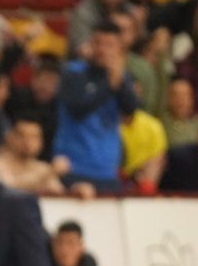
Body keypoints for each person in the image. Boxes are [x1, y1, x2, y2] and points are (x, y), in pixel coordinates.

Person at [52, 22, 137, 192]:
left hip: (107, 171)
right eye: (98, 43)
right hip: (73, 167)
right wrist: (110, 85)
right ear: (90, 44)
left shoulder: (122, 77)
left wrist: (120, 83)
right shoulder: (73, 72)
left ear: (120, 49)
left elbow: (131, 110)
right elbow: (78, 109)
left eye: (109, 45)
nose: (102, 50)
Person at [0, 116, 67, 196]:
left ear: (41, 142)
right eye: (22, 135)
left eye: (34, 137)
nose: (28, 141)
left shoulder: (43, 168)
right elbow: (9, 187)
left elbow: (58, 193)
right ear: (10, 137)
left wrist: (76, 191)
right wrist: (48, 173)